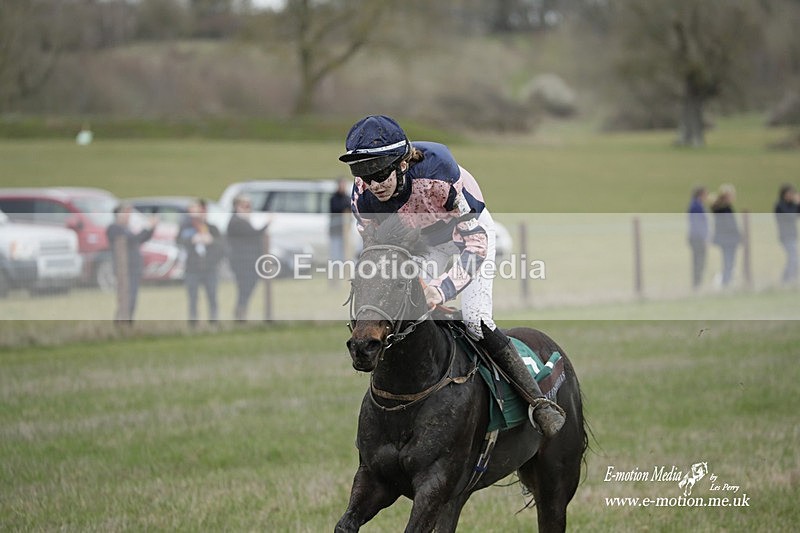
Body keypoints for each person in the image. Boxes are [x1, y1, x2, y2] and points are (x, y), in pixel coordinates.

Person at [338, 114, 565, 438]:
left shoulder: (439, 173)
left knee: (474, 319)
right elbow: (378, 252)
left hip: (470, 235)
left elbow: (475, 244)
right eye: (364, 175)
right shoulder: (362, 195)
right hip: (423, 243)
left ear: (402, 163)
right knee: (403, 313)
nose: (374, 184)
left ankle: (538, 402)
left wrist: (441, 290)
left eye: (380, 174)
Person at [105, 204, 157, 322]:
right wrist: (147, 227)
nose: (128, 216)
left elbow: (141, 239)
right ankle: (121, 322)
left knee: (132, 299)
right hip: (124, 270)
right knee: (126, 299)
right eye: (125, 213)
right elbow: (134, 239)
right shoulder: (114, 229)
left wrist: (152, 228)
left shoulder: (127, 229)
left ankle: (127, 323)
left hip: (133, 269)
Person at [177, 199, 223, 326]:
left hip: (210, 269)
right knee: (193, 298)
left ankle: (214, 323)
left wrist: (211, 241)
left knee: (212, 297)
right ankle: (193, 324)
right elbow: (178, 241)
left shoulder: (212, 228)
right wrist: (192, 240)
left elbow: (222, 246)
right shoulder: (186, 228)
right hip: (192, 268)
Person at [227, 194, 268, 321]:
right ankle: (240, 313)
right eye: (245, 206)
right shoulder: (236, 222)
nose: (248, 209)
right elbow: (254, 234)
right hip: (242, 262)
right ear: (237, 206)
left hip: (250, 261)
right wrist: (268, 223)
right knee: (245, 287)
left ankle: (241, 311)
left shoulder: (244, 220)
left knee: (248, 287)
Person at [711, 184, 741, 288]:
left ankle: (727, 281)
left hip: (727, 239)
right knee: (728, 262)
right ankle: (726, 283)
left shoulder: (722, 208)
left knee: (729, 262)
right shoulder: (724, 209)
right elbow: (729, 225)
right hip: (728, 240)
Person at [774, 184, 799, 285]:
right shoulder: (780, 205)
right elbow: (790, 216)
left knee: (793, 258)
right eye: (789, 193)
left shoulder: (791, 204)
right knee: (794, 258)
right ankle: (787, 280)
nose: (791, 195)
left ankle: (789, 279)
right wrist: (796, 203)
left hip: (792, 235)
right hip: (785, 236)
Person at [687, 186, 709, 290]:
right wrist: (704, 238)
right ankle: (697, 285)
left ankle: (697, 284)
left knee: (698, 262)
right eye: (705, 194)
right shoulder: (696, 206)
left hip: (695, 237)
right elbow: (698, 224)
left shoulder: (696, 205)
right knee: (699, 262)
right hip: (698, 238)